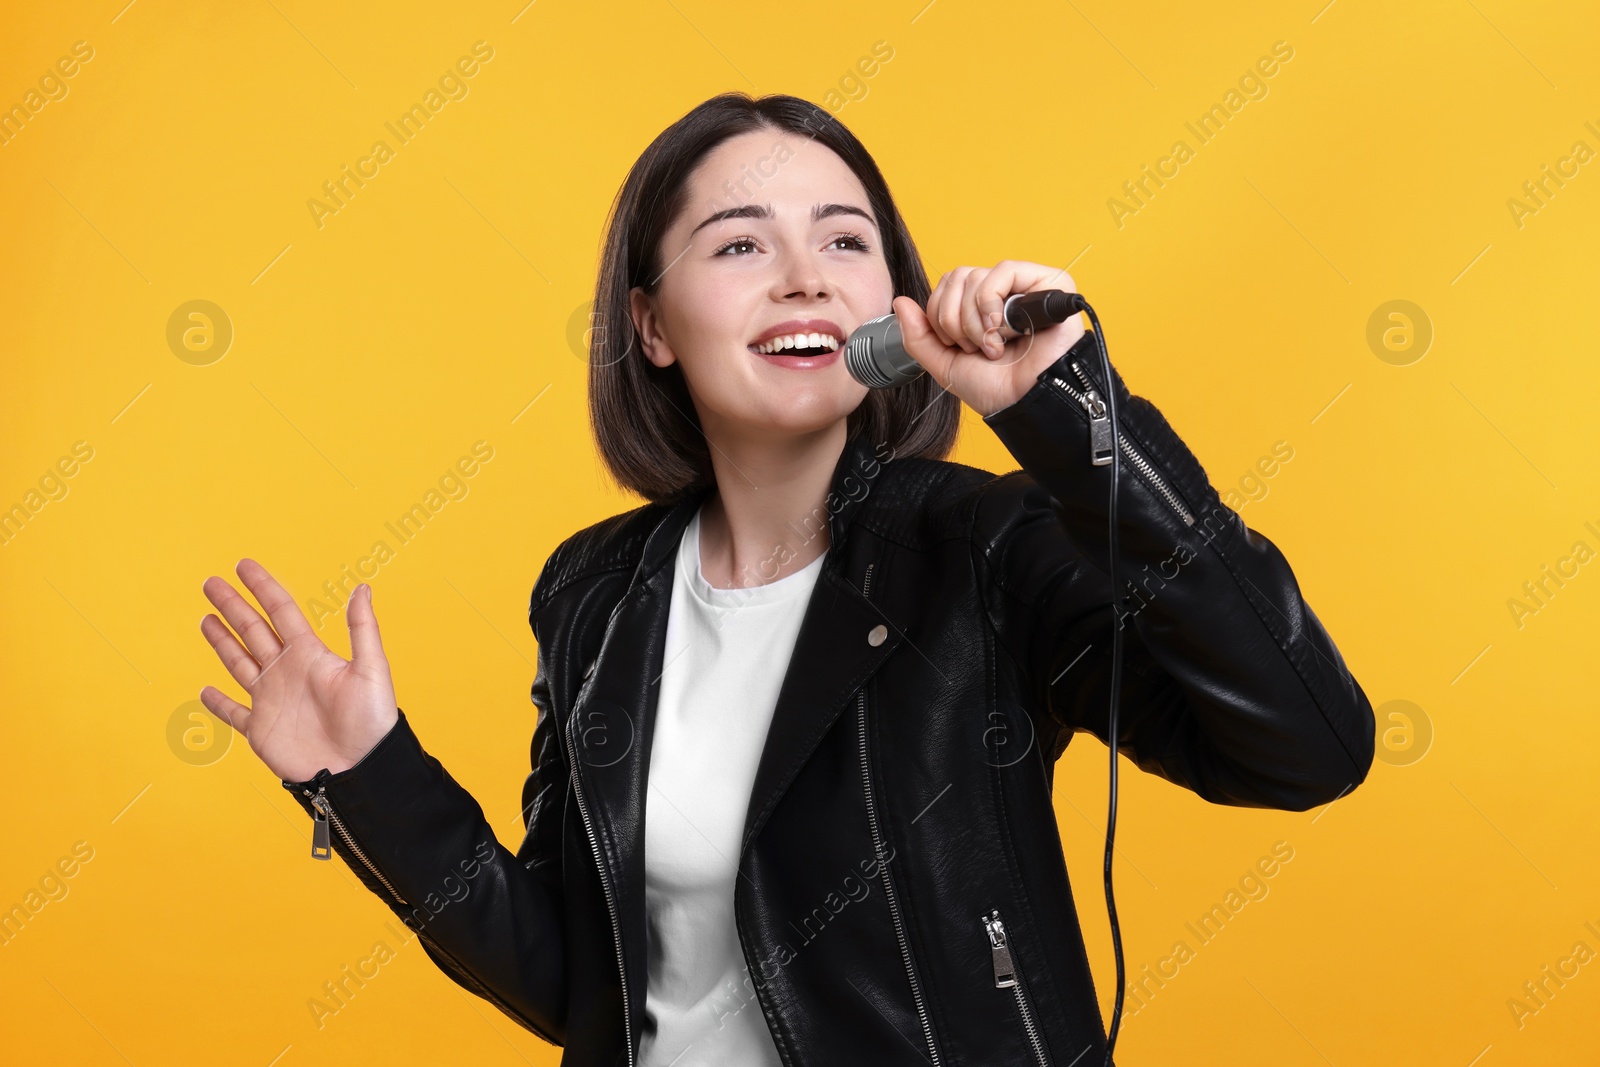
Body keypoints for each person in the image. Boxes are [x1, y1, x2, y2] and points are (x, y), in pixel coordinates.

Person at [198, 92, 1376, 1067]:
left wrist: (1074, 420)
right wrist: (368, 779)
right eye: (742, 242)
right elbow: (583, 982)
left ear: (888, 306)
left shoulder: (989, 546)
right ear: (651, 324)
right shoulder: (595, 594)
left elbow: (1308, 744)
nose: (806, 276)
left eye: (846, 239)